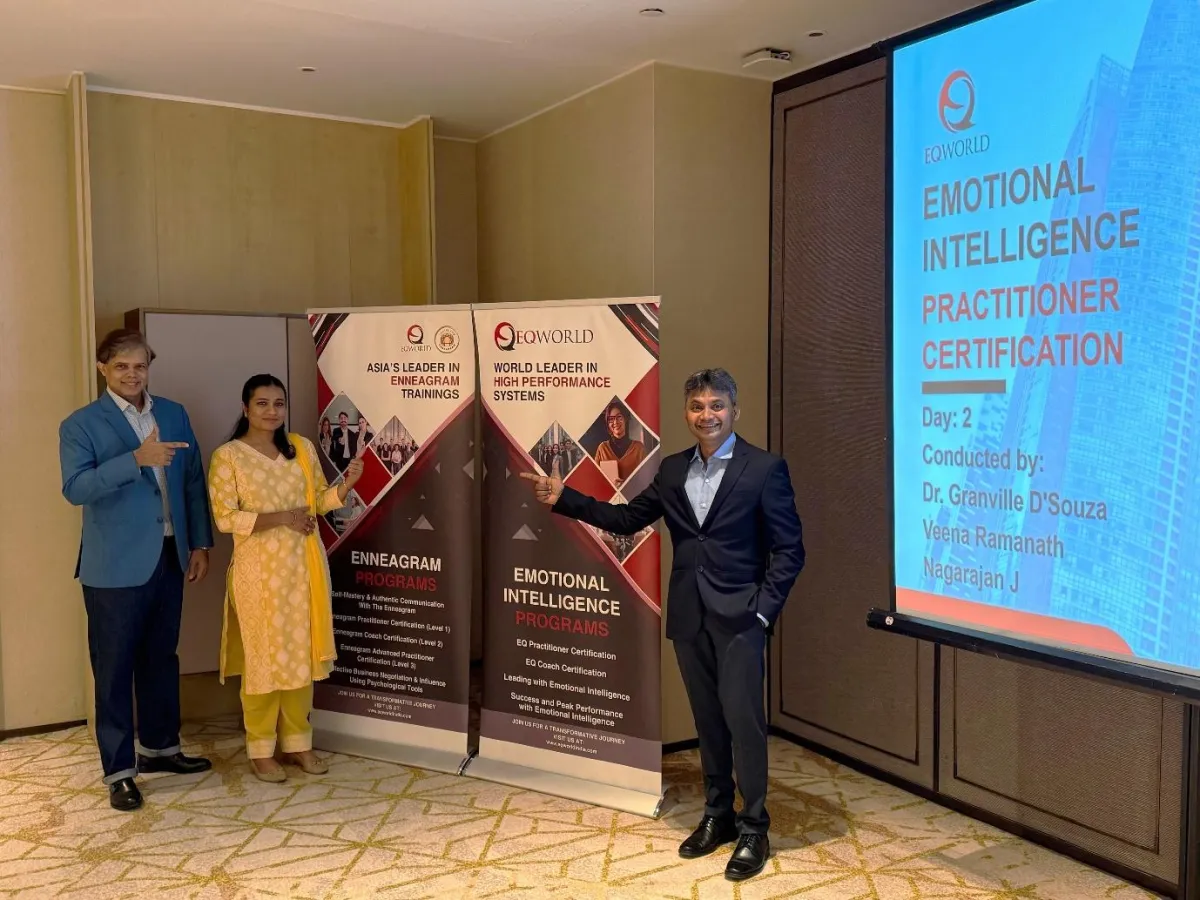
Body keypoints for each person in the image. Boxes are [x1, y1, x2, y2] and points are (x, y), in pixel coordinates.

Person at [521, 368, 804, 882]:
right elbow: (627, 519)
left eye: (716, 405)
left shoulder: (765, 469)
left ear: (734, 411)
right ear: (686, 412)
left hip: (741, 618)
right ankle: (718, 814)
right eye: (697, 406)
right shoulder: (673, 470)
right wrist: (564, 497)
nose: (707, 415)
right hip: (689, 615)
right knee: (708, 721)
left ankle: (754, 827)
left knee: (743, 723)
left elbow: (790, 550)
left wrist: (763, 610)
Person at [59, 329, 215, 812]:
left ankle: (161, 749)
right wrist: (135, 459)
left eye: (140, 365)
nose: (132, 374)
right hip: (113, 565)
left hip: (171, 554)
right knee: (113, 669)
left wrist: (200, 543)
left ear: (150, 367)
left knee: (160, 657)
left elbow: (192, 481)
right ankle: (120, 771)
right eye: (122, 366)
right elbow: (76, 488)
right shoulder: (81, 424)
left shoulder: (173, 413)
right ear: (103, 369)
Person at [207, 375, 362, 782]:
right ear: (245, 409)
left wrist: (347, 485)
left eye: (279, 403)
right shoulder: (229, 457)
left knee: (300, 658)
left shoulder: (301, 448)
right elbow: (225, 518)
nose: (272, 411)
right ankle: (260, 749)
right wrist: (283, 518)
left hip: (303, 569)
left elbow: (319, 502)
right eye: (262, 403)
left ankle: (298, 743)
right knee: (263, 661)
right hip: (257, 574)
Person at [594, 403, 647, 487]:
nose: (615, 422)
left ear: (625, 419)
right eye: (611, 419)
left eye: (619, 417)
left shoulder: (639, 448)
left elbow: (646, 479)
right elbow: (595, 480)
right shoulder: (602, 448)